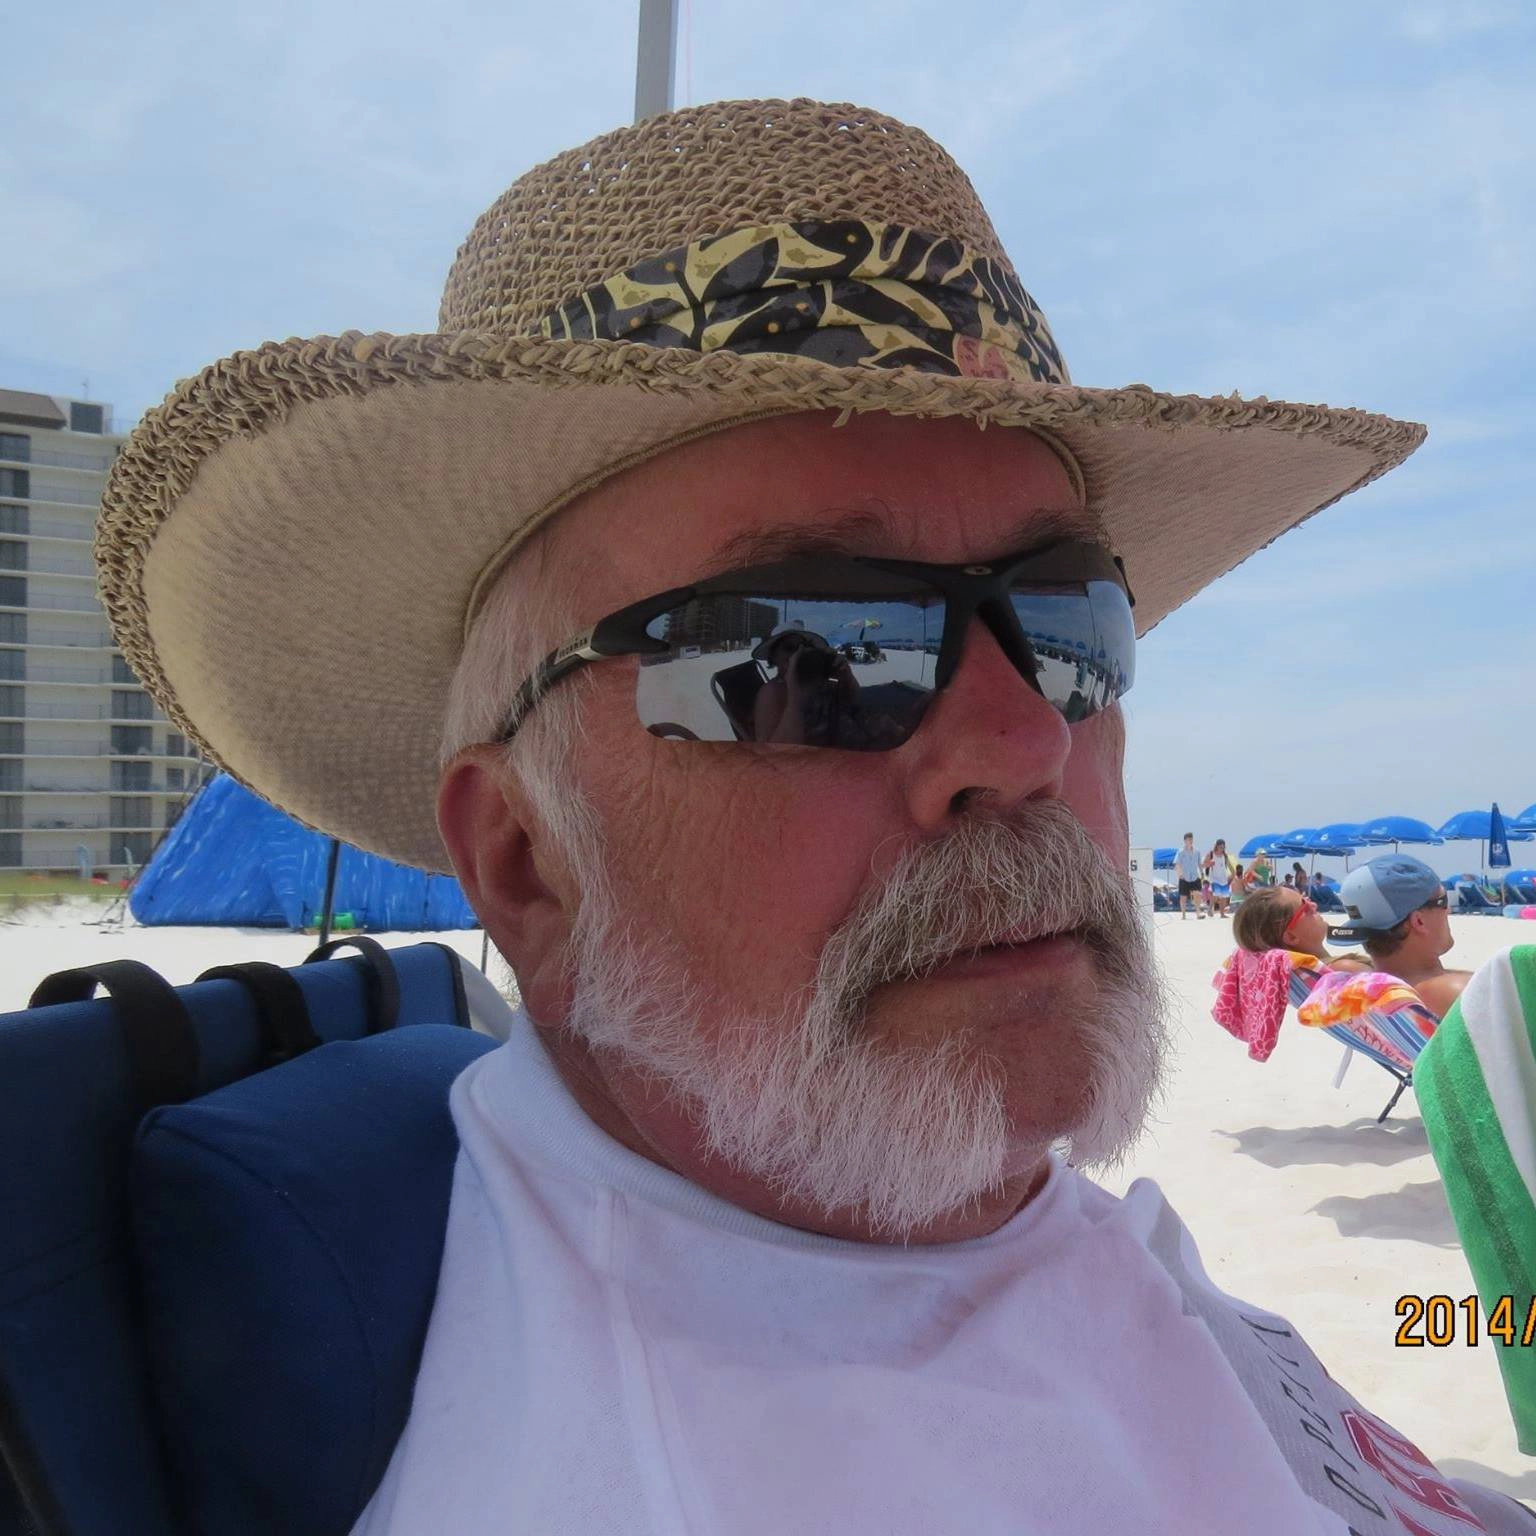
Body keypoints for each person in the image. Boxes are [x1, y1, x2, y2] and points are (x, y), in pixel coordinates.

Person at [97, 97, 1522, 1535]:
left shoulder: (911, 1230)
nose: (1025, 741)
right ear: (526, 864)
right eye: (817, 656)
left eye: (1068, 628)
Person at [1332, 856, 1473, 1020]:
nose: (1448, 910)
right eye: (1443, 901)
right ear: (1419, 921)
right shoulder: (1455, 994)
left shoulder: (1359, 993)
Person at [1233, 886, 1369, 972]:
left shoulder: (1303, 976)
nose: (1314, 905)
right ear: (1291, 937)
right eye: (1305, 907)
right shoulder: (1342, 970)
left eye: (1307, 899)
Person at [1173, 831, 1205, 919]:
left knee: (1197, 894)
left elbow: (1199, 863)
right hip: (1184, 877)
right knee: (1183, 897)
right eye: (1189, 839)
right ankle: (1183, 915)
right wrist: (1180, 874)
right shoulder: (1181, 852)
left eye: (1191, 839)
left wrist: (1202, 873)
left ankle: (1198, 913)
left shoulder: (1197, 851)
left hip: (1195, 876)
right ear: (1185, 840)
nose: (1190, 841)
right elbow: (1177, 864)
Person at [1203, 837, 1235, 917]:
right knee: (1216, 893)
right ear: (1216, 846)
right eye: (1220, 847)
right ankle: (1210, 908)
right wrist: (1210, 863)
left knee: (1224, 896)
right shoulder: (1211, 854)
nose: (1222, 849)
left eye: (1223, 847)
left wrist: (1233, 873)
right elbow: (1203, 864)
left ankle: (1222, 914)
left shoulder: (1225, 855)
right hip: (1214, 878)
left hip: (1223, 878)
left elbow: (1229, 866)